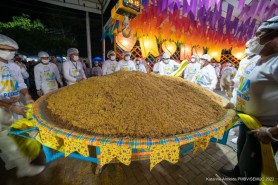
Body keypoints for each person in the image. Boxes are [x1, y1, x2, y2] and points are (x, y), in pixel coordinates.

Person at [220, 16, 278, 185]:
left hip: (264, 129)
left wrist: (272, 132)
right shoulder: (256, 59)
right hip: (247, 122)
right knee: (241, 153)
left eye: (260, 34)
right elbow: (243, 84)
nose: (255, 39)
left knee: (253, 166)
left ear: (274, 36)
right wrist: (234, 101)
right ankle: (239, 172)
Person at [0, 34, 45, 177]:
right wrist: (11, 107)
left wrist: (26, 95)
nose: (11, 53)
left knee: (24, 130)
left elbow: (20, 83)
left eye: (13, 50)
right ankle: (22, 167)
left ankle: (22, 158)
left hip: (16, 103)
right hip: (2, 109)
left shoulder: (13, 65)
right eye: (8, 49)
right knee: (5, 135)